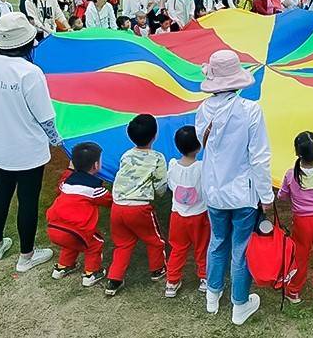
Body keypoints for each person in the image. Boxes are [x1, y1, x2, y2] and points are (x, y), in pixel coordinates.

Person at [0, 12, 62, 271]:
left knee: (1, 192)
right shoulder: (29, 73)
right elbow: (45, 117)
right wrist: (57, 140)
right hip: (26, 149)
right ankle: (26, 255)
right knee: (27, 200)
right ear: (27, 43)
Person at [194, 50, 274, 325]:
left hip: (214, 190)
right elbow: (260, 157)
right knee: (241, 246)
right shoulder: (251, 111)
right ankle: (240, 303)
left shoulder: (202, 109)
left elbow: (204, 145)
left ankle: (213, 295)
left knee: (217, 241)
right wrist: (266, 196)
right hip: (243, 192)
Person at [105, 114, 168, 296]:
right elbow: (160, 183)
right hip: (139, 208)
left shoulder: (126, 155)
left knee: (123, 244)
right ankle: (157, 270)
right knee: (155, 240)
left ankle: (114, 279)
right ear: (155, 135)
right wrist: (160, 195)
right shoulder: (157, 158)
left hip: (118, 206)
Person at [277, 131, 313, 304]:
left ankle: (294, 291)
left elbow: (282, 195)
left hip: (302, 222)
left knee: (300, 255)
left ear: (296, 152)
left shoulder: (290, 174)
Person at [46, 142, 111, 288]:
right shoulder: (94, 189)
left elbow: (60, 185)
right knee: (95, 243)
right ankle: (91, 273)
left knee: (70, 243)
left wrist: (69, 169)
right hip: (76, 230)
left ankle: (62, 267)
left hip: (54, 227)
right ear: (96, 165)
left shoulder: (66, 183)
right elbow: (109, 200)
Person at [164, 126, 210, 298]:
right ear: (199, 146)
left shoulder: (173, 165)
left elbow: (170, 185)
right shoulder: (201, 167)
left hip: (177, 215)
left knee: (177, 248)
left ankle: (172, 281)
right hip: (199, 215)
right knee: (202, 247)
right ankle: (204, 278)